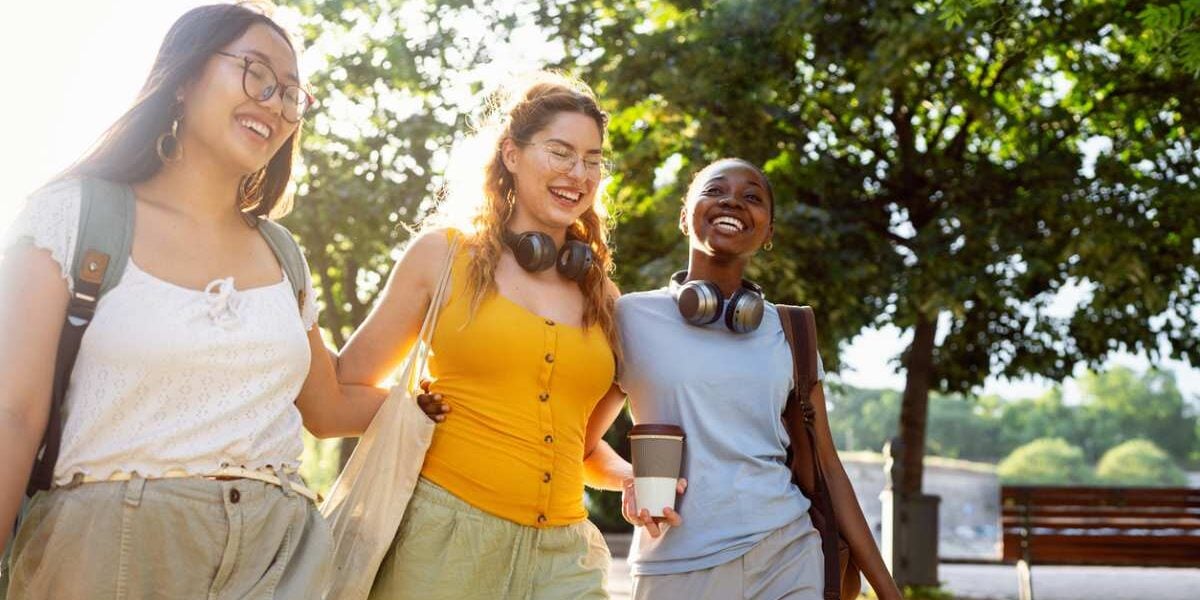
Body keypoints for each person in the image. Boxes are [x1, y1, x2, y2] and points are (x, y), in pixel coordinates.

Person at [0, 4, 387, 598]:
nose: (276, 104)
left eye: (290, 93)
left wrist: (461, 403)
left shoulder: (283, 252)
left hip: (280, 557)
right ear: (182, 77)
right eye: (257, 73)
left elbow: (327, 406)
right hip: (110, 555)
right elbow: (13, 416)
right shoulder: (72, 215)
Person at [336, 71, 623, 599]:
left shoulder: (603, 296)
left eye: (592, 159)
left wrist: (631, 478)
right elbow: (345, 387)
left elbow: (584, 448)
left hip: (564, 556)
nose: (577, 173)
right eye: (560, 151)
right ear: (511, 154)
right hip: (443, 542)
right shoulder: (442, 257)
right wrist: (407, 408)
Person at [610, 158, 903, 599]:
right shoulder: (630, 317)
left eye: (752, 197)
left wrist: (888, 591)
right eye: (715, 190)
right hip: (676, 566)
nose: (732, 200)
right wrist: (628, 479)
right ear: (685, 216)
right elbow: (580, 442)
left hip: (787, 553)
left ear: (768, 234)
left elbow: (827, 463)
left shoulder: (790, 330)